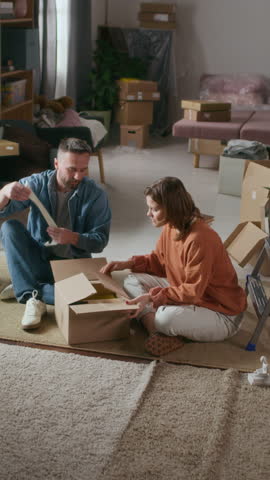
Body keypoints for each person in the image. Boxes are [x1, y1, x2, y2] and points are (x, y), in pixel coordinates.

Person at [100, 176, 247, 356]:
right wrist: (126, 263)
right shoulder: (171, 226)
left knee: (164, 318)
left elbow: (192, 292)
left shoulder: (201, 239)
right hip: (191, 296)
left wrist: (151, 298)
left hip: (220, 312)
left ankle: (158, 325)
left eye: (154, 209)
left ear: (171, 208)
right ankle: (154, 330)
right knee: (131, 281)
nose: (148, 214)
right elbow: (159, 263)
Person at [0, 137, 111, 330]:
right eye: (72, 169)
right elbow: (4, 210)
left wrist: (73, 237)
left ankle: (26, 287)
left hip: (71, 266)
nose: (78, 176)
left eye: (83, 170)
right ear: (56, 163)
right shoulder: (36, 184)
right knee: (9, 227)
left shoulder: (96, 195)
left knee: (97, 297)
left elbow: (100, 241)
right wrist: (4, 192)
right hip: (38, 260)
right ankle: (31, 296)